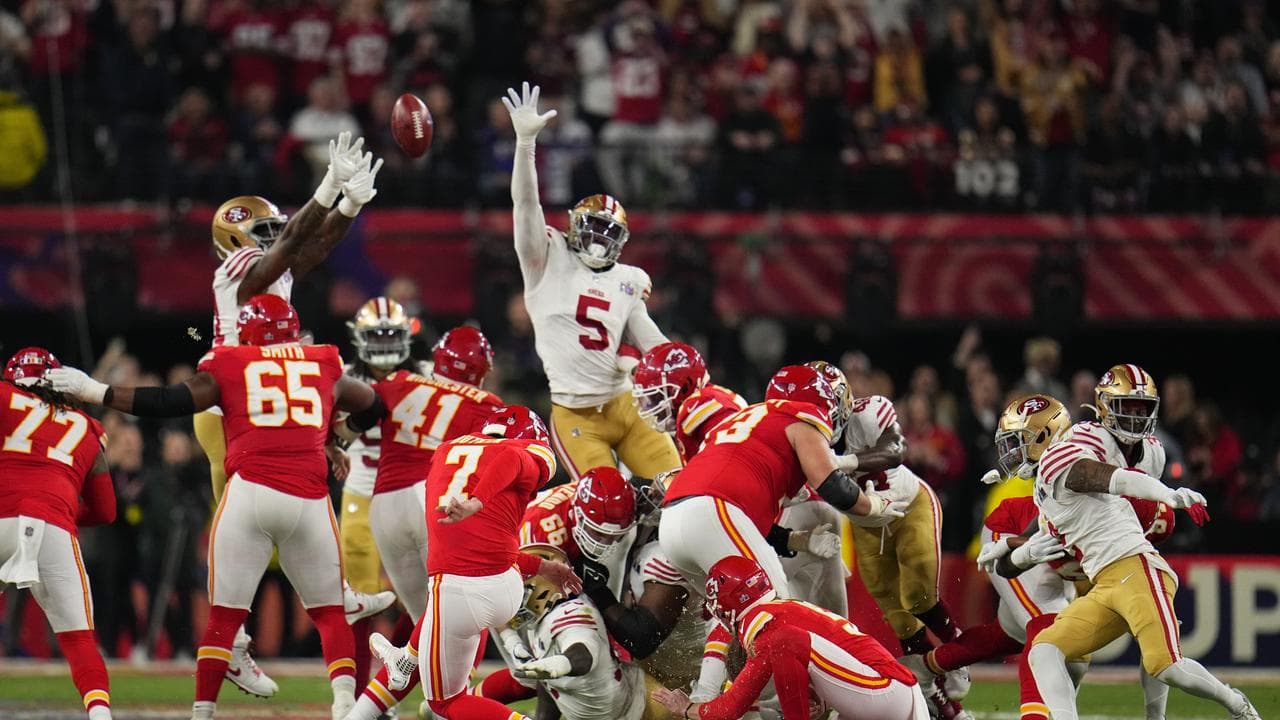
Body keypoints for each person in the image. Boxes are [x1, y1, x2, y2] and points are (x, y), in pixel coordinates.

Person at [47, 295, 389, 720]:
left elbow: (170, 400)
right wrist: (336, 440)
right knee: (330, 613)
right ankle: (343, 707)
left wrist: (94, 390)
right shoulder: (322, 361)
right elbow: (374, 406)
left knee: (224, 619)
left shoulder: (232, 363)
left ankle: (203, 712)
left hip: (250, 493)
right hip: (308, 496)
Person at [189, 131, 387, 697]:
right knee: (238, 522)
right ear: (234, 239)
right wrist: (328, 190)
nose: (275, 239)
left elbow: (310, 248)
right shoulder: (237, 272)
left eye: (275, 229)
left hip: (265, 401)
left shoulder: (273, 269)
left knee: (260, 512)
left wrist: (347, 208)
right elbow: (297, 241)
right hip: (234, 404)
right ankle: (239, 642)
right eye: (263, 232)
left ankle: (259, 628)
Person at [1023, 365, 1261, 720]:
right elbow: (1060, 522)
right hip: (1105, 580)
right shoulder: (1059, 467)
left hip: (1135, 566)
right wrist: (1012, 551)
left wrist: (1164, 500)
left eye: (1140, 408)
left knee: (1167, 664)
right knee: (1044, 650)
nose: (1017, 453)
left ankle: (1237, 704)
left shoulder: (1081, 452)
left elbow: (1116, 481)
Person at [502, 81, 682, 484]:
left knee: (680, 489)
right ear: (572, 227)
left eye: (608, 233)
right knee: (606, 511)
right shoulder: (545, 259)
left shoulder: (629, 280)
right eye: (593, 229)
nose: (600, 241)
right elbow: (525, 205)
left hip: (626, 404)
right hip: (576, 413)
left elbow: (652, 341)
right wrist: (525, 145)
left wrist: (685, 371)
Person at [368, 405, 582, 720]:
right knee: (451, 694)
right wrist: (544, 568)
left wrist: (476, 500)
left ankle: (405, 663)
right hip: (505, 582)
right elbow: (510, 462)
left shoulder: (445, 450)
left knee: (446, 703)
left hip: (457, 590)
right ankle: (404, 661)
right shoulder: (531, 450)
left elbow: (508, 459)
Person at [344, 325, 507, 720]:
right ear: (482, 370)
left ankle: (357, 715)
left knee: (428, 628)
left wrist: (334, 442)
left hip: (383, 505)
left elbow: (357, 412)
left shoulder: (399, 381)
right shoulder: (487, 403)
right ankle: (454, 706)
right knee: (462, 623)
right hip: (434, 503)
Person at [659, 364, 906, 595]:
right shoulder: (803, 414)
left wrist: (797, 540)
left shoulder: (749, 424)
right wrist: (873, 505)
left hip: (673, 520)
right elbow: (833, 485)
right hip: (713, 509)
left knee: (732, 612)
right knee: (771, 605)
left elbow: (748, 509)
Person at [817, 360, 965, 714]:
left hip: (907, 506)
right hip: (866, 524)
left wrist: (844, 463)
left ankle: (957, 651)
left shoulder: (870, 411)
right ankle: (944, 707)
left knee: (918, 596)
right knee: (899, 619)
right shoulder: (803, 434)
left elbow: (896, 449)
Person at [652, 555, 929, 720]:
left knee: (784, 641)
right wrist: (816, 694)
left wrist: (687, 707)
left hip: (883, 692)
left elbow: (732, 707)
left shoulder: (765, 625)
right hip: (895, 691)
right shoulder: (783, 608)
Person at [0, 348, 116, 720]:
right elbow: (105, 510)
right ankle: (99, 714)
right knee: (79, 639)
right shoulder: (88, 429)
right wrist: (56, 509)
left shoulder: (4, 397)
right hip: (54, 528)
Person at [340, 297, 423, 687]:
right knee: (359, 603)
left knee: (428, 596)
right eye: (378, 335)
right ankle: (359, 692)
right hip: (361, 492)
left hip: (410, 492)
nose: (387, 343)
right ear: (360, 337)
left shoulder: (426, 376)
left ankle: (402, 678)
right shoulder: (341, 377)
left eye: (393, 334)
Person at [502, 544, 670, 720]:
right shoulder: (542, 618)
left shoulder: (572, 613)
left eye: (521, 591)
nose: (516, 600)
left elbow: (583, 654)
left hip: (638, 710)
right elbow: (549, 684)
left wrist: (563, 663)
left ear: (542, 588)